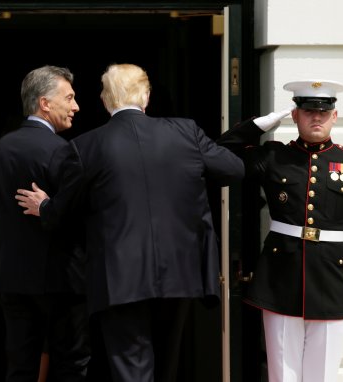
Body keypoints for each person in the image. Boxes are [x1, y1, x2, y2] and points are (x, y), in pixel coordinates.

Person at [15, 63, 245, 382]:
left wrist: (44, 206)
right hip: (179, 273)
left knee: (131, 370)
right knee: (167, 365)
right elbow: (234, 169)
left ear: (106, 100)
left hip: (120, 277)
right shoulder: (186, 132)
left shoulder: (87, 146)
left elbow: (63, 212)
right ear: (146, 97)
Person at [216, 79, 343, 382]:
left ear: (334, 116)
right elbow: (221, 155)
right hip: (279, 277)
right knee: (282, 374)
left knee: (323, 375)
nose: (315, 117)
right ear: (295, 116)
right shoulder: (274, 157)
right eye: (307, 111)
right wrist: (257, 125)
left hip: (330, 279)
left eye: (323, 111)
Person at [0, 65, 90, 382]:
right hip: (60, 279)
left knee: (21, 365)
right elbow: (77, 215)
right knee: (71, 363)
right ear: (45, 103)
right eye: (69, 98)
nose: (76, 107)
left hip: (12, 277)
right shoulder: (63, 151)